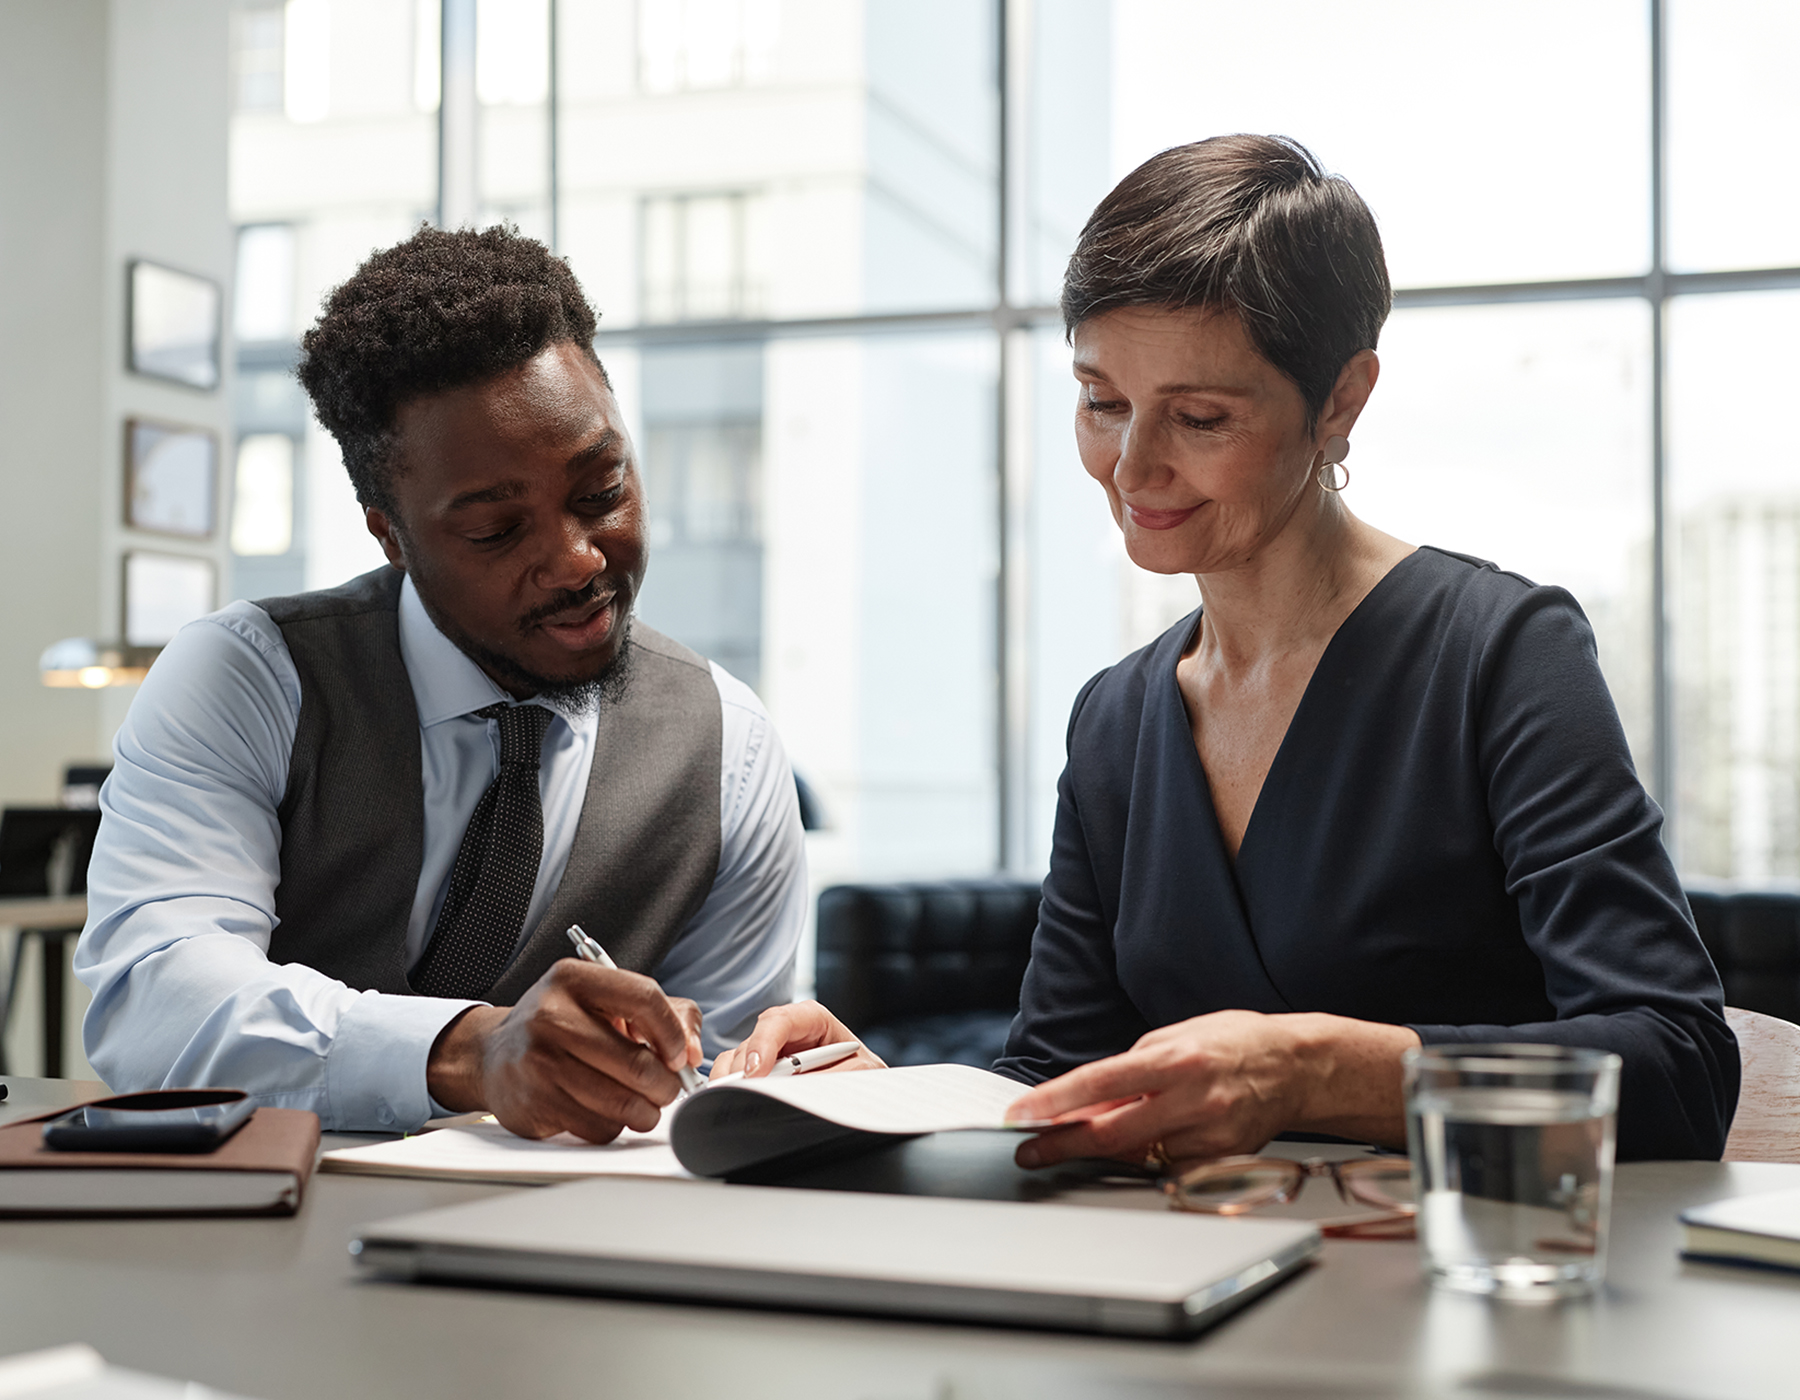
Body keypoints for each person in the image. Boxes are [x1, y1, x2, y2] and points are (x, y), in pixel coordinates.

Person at [712, 135, 1739, 1164]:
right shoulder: (1116, 719)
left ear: (1340, 399)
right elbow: (1055, 1080)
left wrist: (1311, 1068)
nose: (1132, 465)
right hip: (1192, 1283)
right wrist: (886, 1094)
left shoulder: (1501, 654)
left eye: (1200, 416)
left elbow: (1677, 1062)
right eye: (1102, 401)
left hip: (1459, 1291)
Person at [77, 226, 806, 1142]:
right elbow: (153, 1000)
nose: (579, 561)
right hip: (260, 1245)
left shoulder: (727, 746)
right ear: (389, 533)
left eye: (601, 490)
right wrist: (464, 1052)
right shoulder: (250, 679)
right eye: (498, 532)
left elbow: (716, 1100)